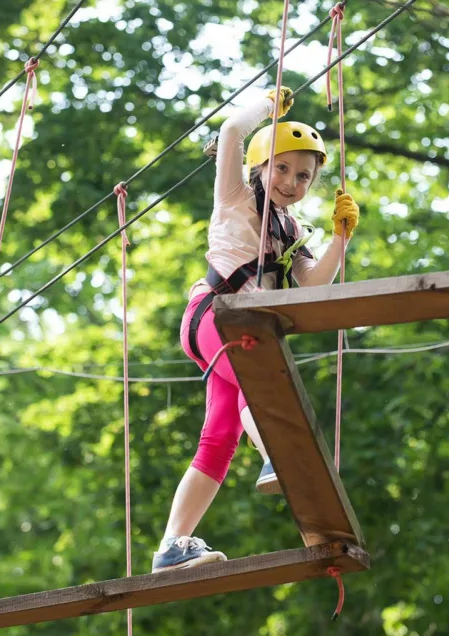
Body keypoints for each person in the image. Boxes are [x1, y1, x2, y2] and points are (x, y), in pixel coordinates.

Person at [151, 86, 360, 573]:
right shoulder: (235, 198)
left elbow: (312, 283)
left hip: (232, 329)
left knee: (218, 438)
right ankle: (278, 459)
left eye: (303, 176)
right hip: (215, 315)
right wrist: (267, 109)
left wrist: (339, 240)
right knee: (258, 381)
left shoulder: (292, 231)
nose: (291, 181)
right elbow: (230, 131)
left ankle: (172, 546)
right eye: (281, 167)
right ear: (260, 167)